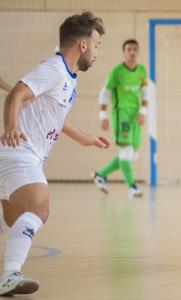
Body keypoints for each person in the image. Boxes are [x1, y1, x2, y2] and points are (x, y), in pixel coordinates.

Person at [0, 12, 107, 296]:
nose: (97, 53)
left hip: (19, 157)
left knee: (12, 221)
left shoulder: (68, 79)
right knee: (38, 209)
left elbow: (55, 116)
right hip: (19, 152)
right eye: (96, 45)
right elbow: (15, 96)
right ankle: (10, 275)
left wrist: (85, 139)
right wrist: (11, 127)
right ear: (83, 45)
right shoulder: (53, 69)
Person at [92, 39, 147, 198]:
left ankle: (100, 174)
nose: (132, 52)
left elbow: (144, 92)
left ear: (138, 52)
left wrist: (143, 111)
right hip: (120, 113)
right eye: (128, 49)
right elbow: (105, 93)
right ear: (124, 53)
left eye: (135, 49)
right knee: (125, 151)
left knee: (130, 154)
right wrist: (103, 115)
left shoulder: (142, 70)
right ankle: (132, 187)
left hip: (135, 114)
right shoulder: (117, 72)